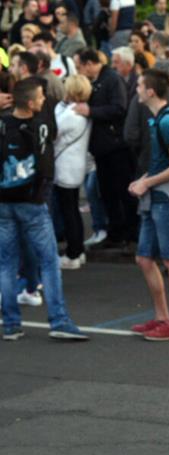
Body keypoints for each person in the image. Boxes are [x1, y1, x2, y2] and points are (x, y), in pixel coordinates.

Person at [0, 77, 89, 341]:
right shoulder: (38, 128)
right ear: (29, 102)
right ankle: (59, 320)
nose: (43, 100)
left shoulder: (2, 125)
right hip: (32, 203)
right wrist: (41, 195)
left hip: (4, 202)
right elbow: (45, 168)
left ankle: (11, 323)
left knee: (6, 263)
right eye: (40, 97)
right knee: (49, 261)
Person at [128, 68, 169, 340]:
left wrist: (146, 182)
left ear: (150, 91)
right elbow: (163, 163)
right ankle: (161, 316)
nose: (136, 90)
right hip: (155, 195)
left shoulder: (167, 122)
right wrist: (143, 180)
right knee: (144, 258)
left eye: (140, 86)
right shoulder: (156, 119)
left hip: (166, 198)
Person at [73, 47, 138, 250]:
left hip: (116, 147)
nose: (78, 71)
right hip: (102, 148)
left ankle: (131, 234)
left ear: (90, 64)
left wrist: (91, 111)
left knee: (122, 192)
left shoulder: (111, 80)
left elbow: (119, 108)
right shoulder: (96, 81)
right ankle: (116, 232)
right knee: (108, 192)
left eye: (79, 67)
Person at [53, 73, 92, 270]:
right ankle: (78, 250)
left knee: (68, 212)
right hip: (75, 167)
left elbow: (53, 132)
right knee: (72, 211)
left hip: (65, 168)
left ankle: (73, 253)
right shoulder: (81, 112)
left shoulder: (70, 114)